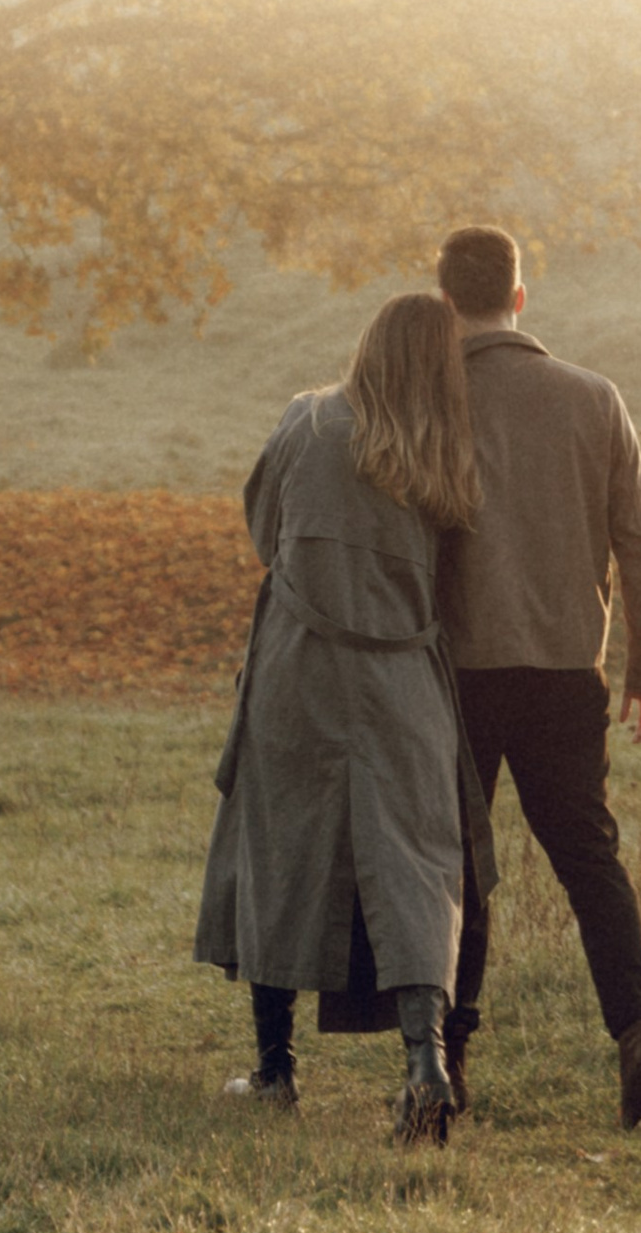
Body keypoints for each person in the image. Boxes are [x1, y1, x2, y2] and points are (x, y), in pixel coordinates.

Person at [194, 290, 497, 1143]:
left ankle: (275, 1070)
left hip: (303, 671)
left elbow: (264, 529)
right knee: (417, 865)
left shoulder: (309, 420)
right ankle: (425, 1065)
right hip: (405, 679)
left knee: (283, 849)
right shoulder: (447, 454)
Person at [434, 220, 641, 1129]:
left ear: (445, 303)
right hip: (566, 673)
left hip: (456, 674)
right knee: (589, 861)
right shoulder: (594, 398)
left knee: (458, 866)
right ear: (520, 297)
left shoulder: (427, 397)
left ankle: (446, 1062)